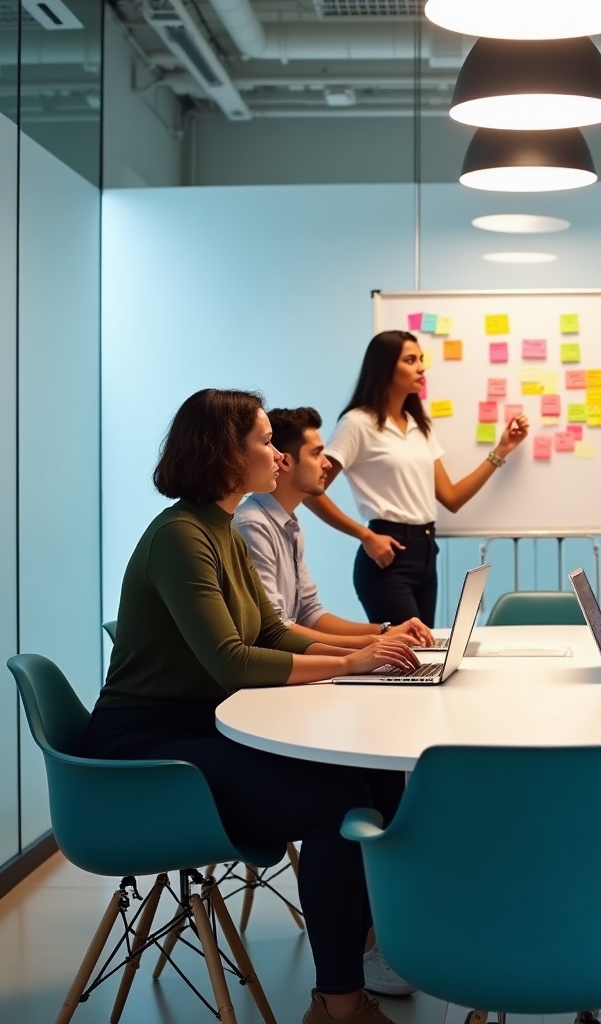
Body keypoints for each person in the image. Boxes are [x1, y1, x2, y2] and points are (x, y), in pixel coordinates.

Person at [82, 388, 421, 1024]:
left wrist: (368, 646)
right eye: (265, 442)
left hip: (193, 727)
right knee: (337, 803)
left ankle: (376, 948)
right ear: (225, 454)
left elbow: (272, 631)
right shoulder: (184, 536)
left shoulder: (221, 528)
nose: (279, 455)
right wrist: (348, 663)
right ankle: (340, 1003)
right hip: (144, 752)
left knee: (373, 778)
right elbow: (231, 661)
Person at [305, 330, 530, 627]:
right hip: (388, 556)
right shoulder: (357, 423)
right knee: (408, 654)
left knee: (424, 657)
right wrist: (365, 535)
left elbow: (452, 498)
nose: (421, 367)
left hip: (426, 552)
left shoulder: (419, 425)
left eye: (421, 359)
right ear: (385, 368)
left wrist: (501, 450)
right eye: (410, 360)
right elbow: (310, 491)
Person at [235, 405, 434, 649]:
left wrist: (386, 630)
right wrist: (373, 643)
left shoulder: (288, 525)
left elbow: (311, 614)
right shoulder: (253, 525)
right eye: (317, 454)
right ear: (285, 461)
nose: (327, 464)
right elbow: (276, 630)